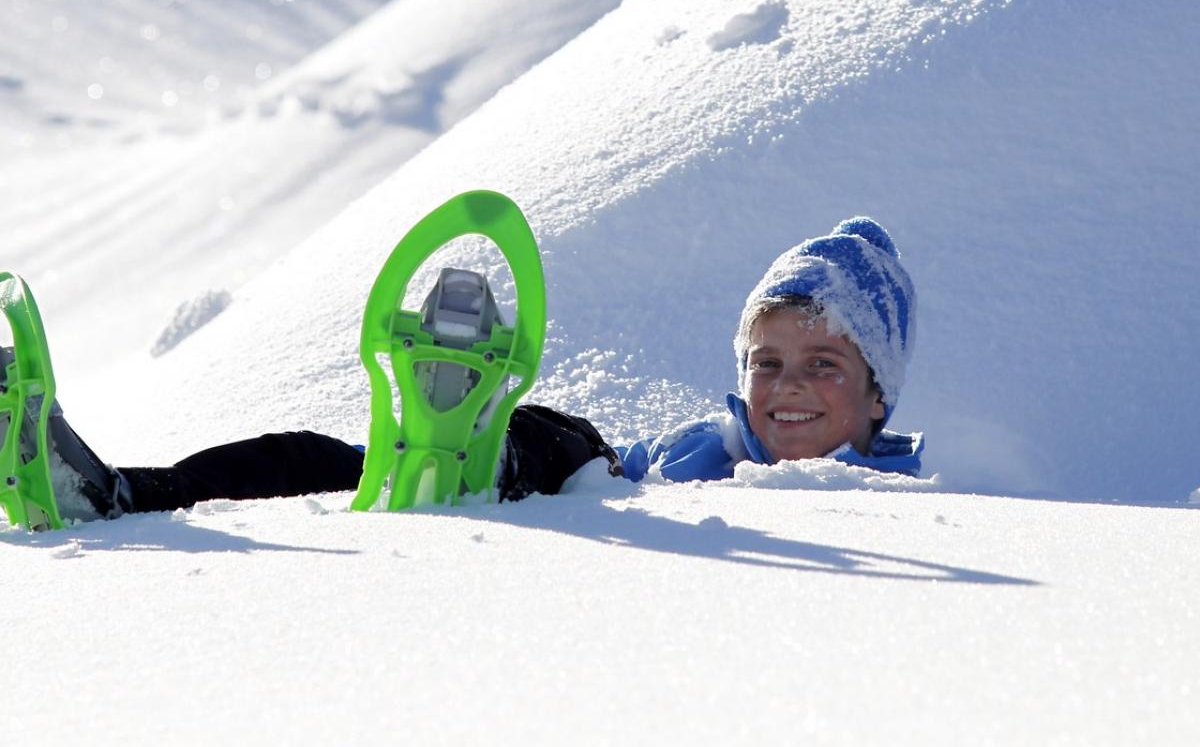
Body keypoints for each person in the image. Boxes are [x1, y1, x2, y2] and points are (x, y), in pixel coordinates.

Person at [2, 217, 920, 528]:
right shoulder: (710, 444)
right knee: (308, 455)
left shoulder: (901, 499)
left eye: (823, 363)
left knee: (544, 444)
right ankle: (116, 493)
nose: (787, 384)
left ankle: (466, 436)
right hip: (583, 477)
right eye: (767, 360)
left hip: (575, 504)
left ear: (880, 392)